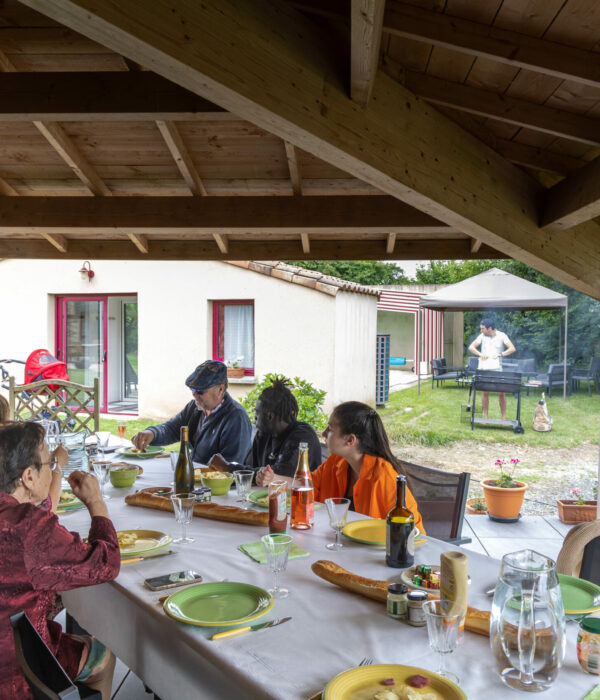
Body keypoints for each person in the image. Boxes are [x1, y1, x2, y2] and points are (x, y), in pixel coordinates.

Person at [0, 421, 121, 699]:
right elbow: (106, 563)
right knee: (103, 656)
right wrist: (96, 503)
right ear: (29, 477)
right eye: (48, 461)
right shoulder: (27, 527)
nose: (52, 466)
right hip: (17, 669)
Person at [308, 401, 424, 531]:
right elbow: (306, 487)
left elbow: (414, 534)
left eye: (330, 429)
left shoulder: (384, 477)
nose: (323, 433)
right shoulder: (336, 462)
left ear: (350, 440)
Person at [132, 360, 252, 464]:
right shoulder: (194, 407)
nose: (194, 394)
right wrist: (152, 433)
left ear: (220, 389)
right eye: (192, 389)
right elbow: (172, 429)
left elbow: (230, 467)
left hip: (216, 485)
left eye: (200, 390)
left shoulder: (236, 418)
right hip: (195, 476)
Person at [250, 379, 321, 484]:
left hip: (301, 498)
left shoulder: (302, 436)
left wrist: (229, 469)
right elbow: (252, 472)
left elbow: (281, 475)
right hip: (264, 497)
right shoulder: (263, 435)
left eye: (257, 413)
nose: (255, 418)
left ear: (270, 416)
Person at [468, 317, 516, 420]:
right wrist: (480, 354)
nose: (481, 330)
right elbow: (471, 347)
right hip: (484, 367)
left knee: (501, 392)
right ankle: (485, 417)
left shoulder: (502, 335)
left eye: (482, 328)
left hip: (497, 367)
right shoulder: (482, 336)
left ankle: (503, 417)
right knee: (485, 392)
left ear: (489, 328)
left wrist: (500, 354)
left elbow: (512, 348)